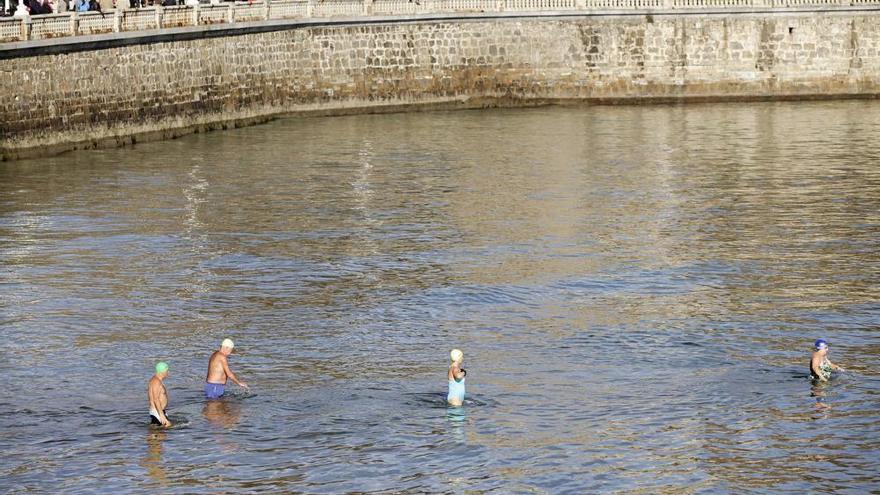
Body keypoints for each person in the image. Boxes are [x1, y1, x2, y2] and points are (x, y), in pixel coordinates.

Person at [148, 362, 172, 427]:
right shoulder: (156, 382)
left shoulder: (156, 380)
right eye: (167, 371)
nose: (168, 373)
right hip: (158, 412)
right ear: (162, 371)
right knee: (160, 434)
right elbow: (155, 399)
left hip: (159, 411)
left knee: (160, 433)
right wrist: (161, 415)